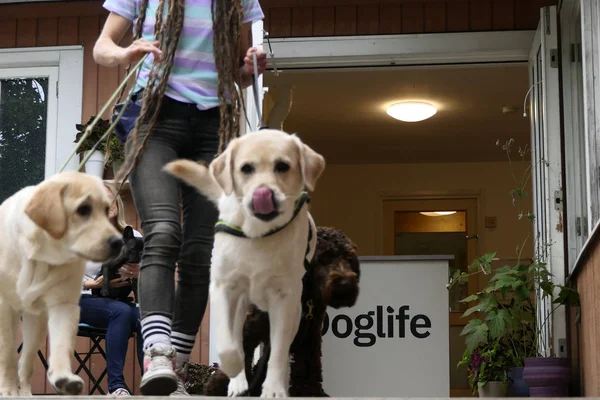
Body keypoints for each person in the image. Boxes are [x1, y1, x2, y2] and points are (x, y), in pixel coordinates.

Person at [92, 0, 267, 395]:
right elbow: (102, 47)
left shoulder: (239, 2)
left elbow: (239, 70)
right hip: (155, 120)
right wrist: (125, 52)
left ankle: (177, 367)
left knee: (199, 251)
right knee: (164, 230)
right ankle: (157, 351)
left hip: (213, 126)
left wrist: (251, 65)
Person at [80, 183, 144, 397]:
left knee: (147, 317)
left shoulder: (132, 235)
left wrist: (139, 273)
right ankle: (116, 387)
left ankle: (153, 381)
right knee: (121, 312)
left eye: (110, 196)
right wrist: (94, 284)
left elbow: (149, 268)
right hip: (80, 299)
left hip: (117, 299)